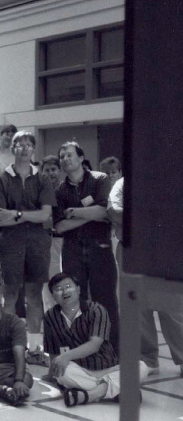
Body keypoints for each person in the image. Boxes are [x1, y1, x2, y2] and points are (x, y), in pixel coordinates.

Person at [0, 131, 56, 364]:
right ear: (13, 148)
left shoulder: (43, 179)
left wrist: (16, 214)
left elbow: (46, 215)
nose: (25, 148)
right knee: (9, 294)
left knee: (34, 295)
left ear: (33, 149)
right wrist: (31, 216)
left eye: (29, 144)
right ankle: (6, 346)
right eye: (20, 144)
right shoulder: (2, 179)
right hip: (10, 245)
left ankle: (35, 349)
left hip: (37, 245)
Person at [108, 177, 183, 377]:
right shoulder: (122, 185)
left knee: (171, 308)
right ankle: (147, 360)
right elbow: (113, 212)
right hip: (130, 251)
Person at [44, 272, 149, 406]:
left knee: (141, 367)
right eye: (58, 289)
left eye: (68, 286)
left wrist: (66, 357)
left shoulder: (96, 310)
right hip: (79, 370)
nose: (64, 291)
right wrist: (54, 374)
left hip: (107, 367)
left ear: (78, 289)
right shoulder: (50, 317)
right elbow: (54, 353)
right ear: (53, 296)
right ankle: (118, 389)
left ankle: (89, 395)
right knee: (62, 373)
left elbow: (94, 345)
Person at [55, 142, 119, 350]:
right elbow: (61, 226)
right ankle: (81, 350)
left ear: (81, 158)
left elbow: (105, 212)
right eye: (62, 156)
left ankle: (112, 349)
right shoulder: (60, 190)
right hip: (72, 249)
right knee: (75, 300)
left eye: (69, 154)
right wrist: (90, 214)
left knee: (105, 300)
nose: (65, 159)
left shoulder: (100, 179)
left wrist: (73, 211)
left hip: (99, 247)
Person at [41, 155, 65, 313]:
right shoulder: (39, 193)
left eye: (53, 169)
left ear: (60, 170)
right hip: (45, 244)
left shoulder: (66, 190)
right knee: (48, 285)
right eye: (47, 170)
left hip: (65, 242)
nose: (51, 173)